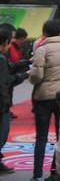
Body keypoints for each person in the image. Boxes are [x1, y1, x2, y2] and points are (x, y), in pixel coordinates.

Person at [29, 20, 60, 180]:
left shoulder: (42, 50)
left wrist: (31, 78)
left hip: (43, 97)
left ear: (45, 32)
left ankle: (37, 175)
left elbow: (36, 76)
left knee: (41, 136)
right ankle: (56, 171)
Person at [0, 27, 28, 174]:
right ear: (5, 42)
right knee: (2, 134)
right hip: (1, 105)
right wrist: (24, 75)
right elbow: (5, 82)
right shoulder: (1, 59)